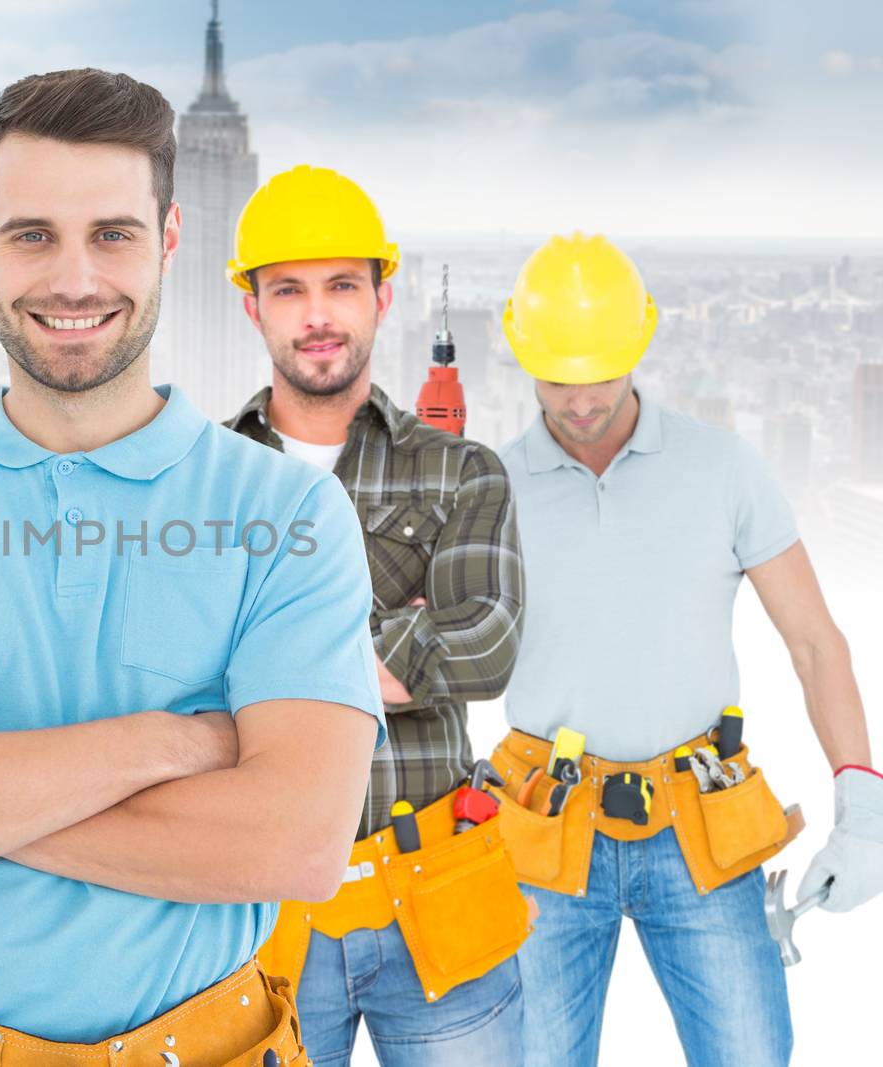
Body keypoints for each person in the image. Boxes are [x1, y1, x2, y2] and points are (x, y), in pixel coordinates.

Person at [0, 69, 385, 1067]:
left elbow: (295, 844)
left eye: (111, 234)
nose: (73, 278)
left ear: (169, 240)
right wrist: (163, 743)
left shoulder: (289, 514)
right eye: (31, 234)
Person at [492, 231, 881, 1065]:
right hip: (544, 817)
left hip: (697, 814)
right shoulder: (490, 488)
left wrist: (865, 804)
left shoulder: (723, 468)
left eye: (602, 371)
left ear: (640, 342)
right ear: (523, 350)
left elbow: (815, 642)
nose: (583, 399)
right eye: (560, 376)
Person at [225, 165, 529, 1065]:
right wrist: (398, 634)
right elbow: (173, 669)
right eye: (290, 289)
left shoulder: (461, 470)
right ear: (253, 306)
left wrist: (268, 654)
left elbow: (488, 647)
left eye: (342, 286)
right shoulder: (204, 477)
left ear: (382, 296)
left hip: (435, 890)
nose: (318, 314)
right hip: (265, 913)